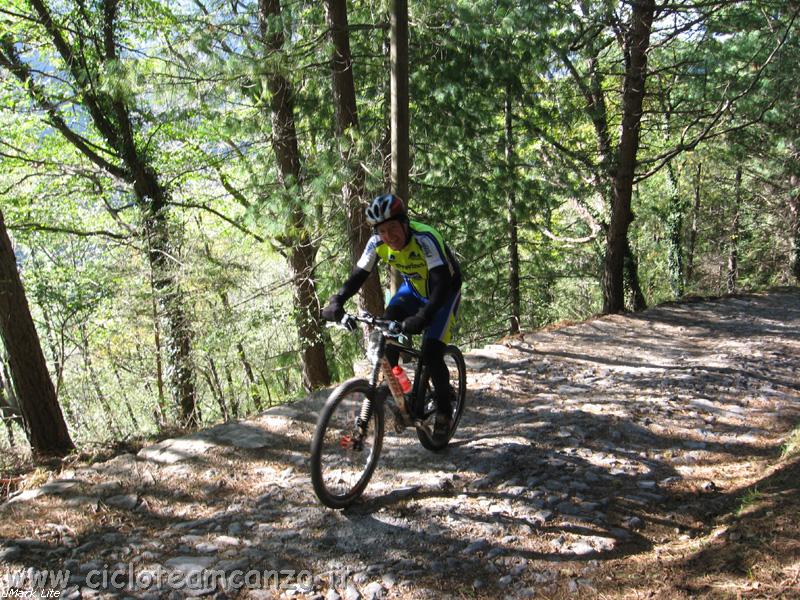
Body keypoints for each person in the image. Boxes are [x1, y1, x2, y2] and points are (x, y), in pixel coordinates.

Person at [321, 194, 462, 440]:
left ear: (405, 223)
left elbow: (440, 283)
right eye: (383, 231)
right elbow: (358, 276)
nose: (389, 236)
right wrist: (337, 301)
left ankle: (444, 410)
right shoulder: (377, 243)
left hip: (444, 293)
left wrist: (423, 316)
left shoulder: (424, 238)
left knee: (431, 352)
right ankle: (403, 393)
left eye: (393, 228)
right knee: (386, 336)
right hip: (414, 289)